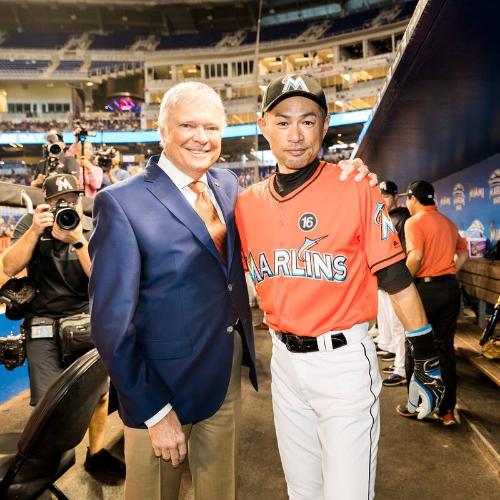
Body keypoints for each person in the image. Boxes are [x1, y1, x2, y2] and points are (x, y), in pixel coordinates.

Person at [88, 81, 373, 500]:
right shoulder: (121, 202)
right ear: (162, 130)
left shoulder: (226, 186)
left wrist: (356, 174)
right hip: (160, 391)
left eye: (212, 127)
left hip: (222, 380)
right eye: (188, 125)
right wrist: (152, 411)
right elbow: (110, 325)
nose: (201, 138)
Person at [235, 74, 445, 500]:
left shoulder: (354, 188)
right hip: (284, 362)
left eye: (308, 122)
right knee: (302, 491)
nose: (295, 135)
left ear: (325, 125)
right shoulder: (246, 203)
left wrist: (425, 357)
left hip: (343, 363)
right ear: (263, 125)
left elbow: (396, 279)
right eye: (283, 121)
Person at [2, 174, 125, 481]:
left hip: (84, 320)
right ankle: (45, 465)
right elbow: (7, 268)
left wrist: (79, 243)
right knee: (47, 403)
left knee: (98, 394)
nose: (65, 206)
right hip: (42, 323)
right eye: (58, 201)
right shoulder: (32, 224)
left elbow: (103, 280)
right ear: (47, 202)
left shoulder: (90, 226)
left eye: (70, 199)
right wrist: (34, 231)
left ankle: (95, 453)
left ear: (78, 199)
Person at [400, 180, 469, 426]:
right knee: (444, 350)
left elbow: (416, 256)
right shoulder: (448, 222)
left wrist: (402, 284)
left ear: (413, 199)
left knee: (416, 347)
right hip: (450, 289)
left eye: (407, 199)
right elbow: (464, 252)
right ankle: (447, 410)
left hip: (424, 290)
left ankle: (418, 405)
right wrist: (452, 273)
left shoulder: (414, 222)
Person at [376, 180, 411, 387]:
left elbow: (407, 252)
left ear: (395, 197)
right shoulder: (383, 216)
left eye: (387, 196)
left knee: (399, 327)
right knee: (390, 326)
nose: (383, 200)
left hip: (397, 281)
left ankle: (402, 368)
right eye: (380, 195)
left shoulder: (403, 218)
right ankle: (398, 361)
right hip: (384, 280)